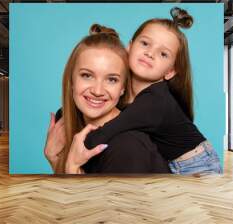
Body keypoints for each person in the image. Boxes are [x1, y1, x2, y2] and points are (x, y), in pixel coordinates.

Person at [84, 7, 222, 175]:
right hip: (172, 163)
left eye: (163, 54)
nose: (150, 53)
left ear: (170, 71)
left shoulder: (154, 101)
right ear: (129, 47)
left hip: (198, 166)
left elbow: (98, 138)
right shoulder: (125, 95)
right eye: (145, 43)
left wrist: (73, 150)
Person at [44, 24, 170, 174]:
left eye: (111, 80)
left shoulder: (127, 147)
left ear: (123, 87)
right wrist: (54, 158)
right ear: (71, 80)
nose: (97, 91)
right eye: (87, 75)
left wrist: (72, 168)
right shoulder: (66, 122)